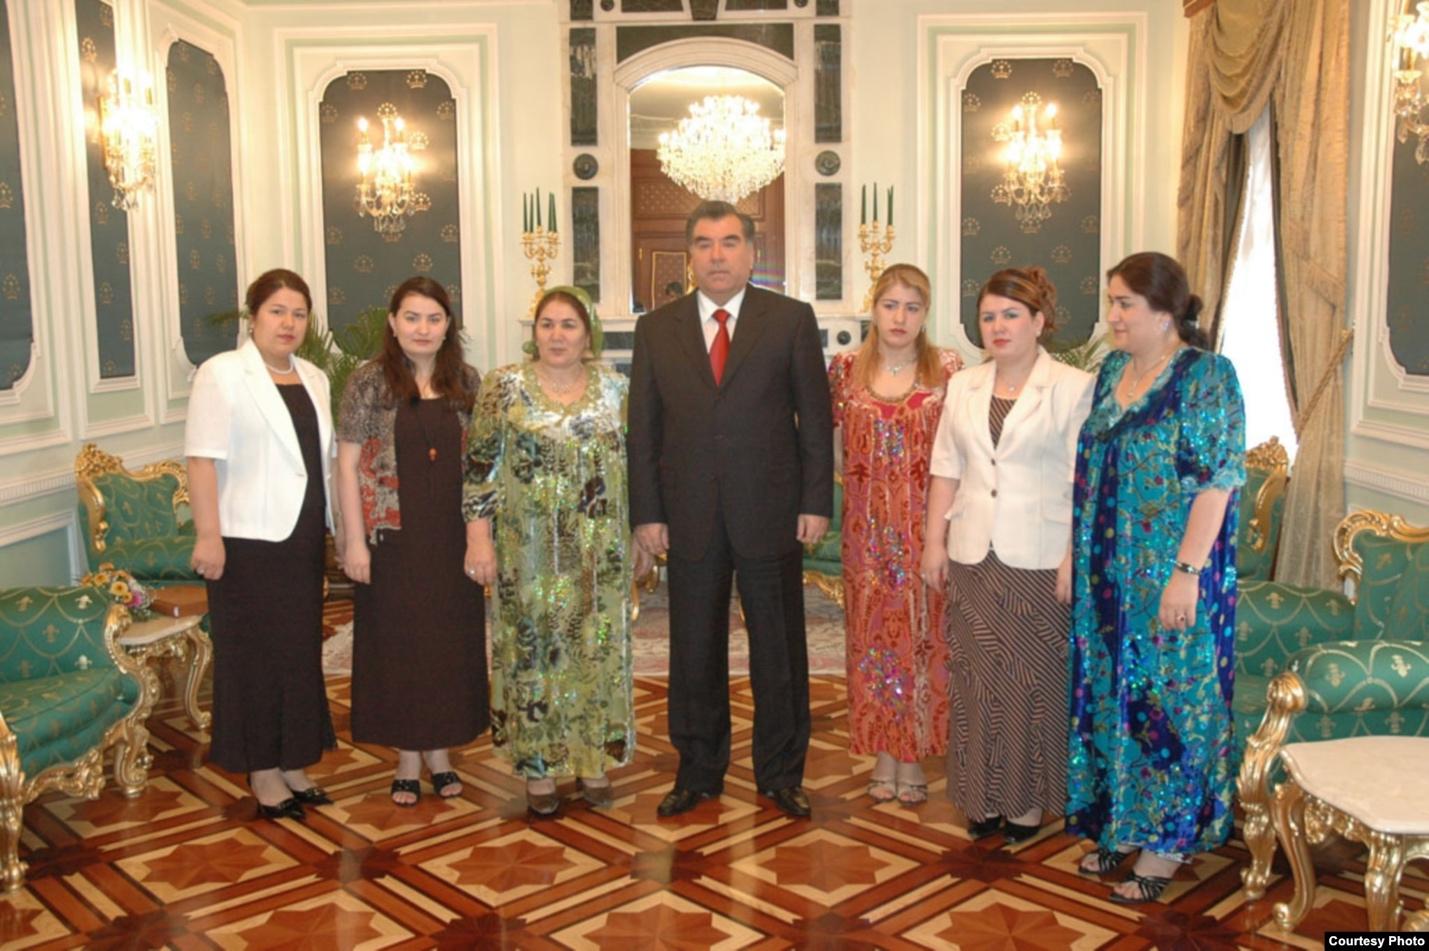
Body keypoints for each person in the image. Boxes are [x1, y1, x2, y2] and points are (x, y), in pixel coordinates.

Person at [628, 201, 834, 820]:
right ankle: (698, 770)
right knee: (693, 647)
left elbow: (814, 421)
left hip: (770, 510)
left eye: (728, 243)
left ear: (751, 253)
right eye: (704, 244)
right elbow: (644, 430)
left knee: (779, 648)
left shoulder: (791, 320)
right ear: (690, 255)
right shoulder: (656, 328)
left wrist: (815, 501)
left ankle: (780, 772)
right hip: (686, 512)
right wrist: (647, 512)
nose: (716, 255)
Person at [1065, 252, 1245, 904]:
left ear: (1165, 310)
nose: (1110, 315)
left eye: (1123, 304)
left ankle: (1166, 843)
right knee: (1113, 697)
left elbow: (1216, 482)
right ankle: (1124, 822)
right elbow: (1086, 477)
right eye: (1110, 301)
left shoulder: (1207, 377)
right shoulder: (1113, 368)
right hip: (1105, 576)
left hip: (1171, 576)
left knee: (1172, 706)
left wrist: (1186, 574)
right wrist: (1071, 554)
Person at [923, 267, 1094, 842]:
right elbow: (946, 467)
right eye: (989, 316)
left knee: (1030, 680)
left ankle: (1024, 803)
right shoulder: (963, 386)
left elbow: (1082, 482)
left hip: (1041, 559)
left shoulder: (1073, 386)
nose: (997, 326)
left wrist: (1075, 557)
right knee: (976, 679)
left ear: (1040, 322)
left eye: (1011, 315)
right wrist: (933, 543)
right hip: (973, 554)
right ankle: (979, 797)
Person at [464, 286, 648, 817]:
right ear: (534, 332)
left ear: (588, 333)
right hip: (528, 552)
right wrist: (479, 537)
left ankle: (593, 760)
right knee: (532, 655)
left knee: (597, 653)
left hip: (599, 556)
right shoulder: (504, 386)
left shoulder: (617, 390)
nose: (557, 335)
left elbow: (636, 471)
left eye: (568, 324)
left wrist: (637, 534)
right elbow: (480, 468)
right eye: (547, 324)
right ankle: (538, 768)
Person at [186, 268, 336, 820]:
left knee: (298, 655)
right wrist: (209, 536)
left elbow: (320, 464)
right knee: (254, 658)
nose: (289, 323)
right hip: (244, 541)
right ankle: (264, 772)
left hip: (299, 540)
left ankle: (294, 761)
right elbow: (202, 458)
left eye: (299, 313)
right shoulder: (223, 374)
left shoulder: (315, 378)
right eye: (277, 311)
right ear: (254, 317)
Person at [336, 277, 487, 807]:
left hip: (453, 538)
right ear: (394, 323)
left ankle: (441, 754)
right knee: (398, 645)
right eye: (412, 317)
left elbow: (483, 466)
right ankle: (405, 759)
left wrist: (481, 538)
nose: (423, 329)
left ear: (448, 327)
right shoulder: (368, 383)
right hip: (390, 537)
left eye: (434, 319)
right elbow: (348, 463)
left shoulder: (469, 382)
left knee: (448, 644)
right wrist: (352, 541)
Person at [828, 263, 960, 805]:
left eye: (912, 307)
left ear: (925, 314)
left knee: (925, 640)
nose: (900, 317)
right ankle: (883, 753)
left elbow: (962, 455)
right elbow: (833, 448)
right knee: (873, 644)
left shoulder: (948, 370)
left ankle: (914, 755)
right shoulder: (843, 371)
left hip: (928, 531)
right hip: (866, 535)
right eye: (890, 305)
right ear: (874, 308)